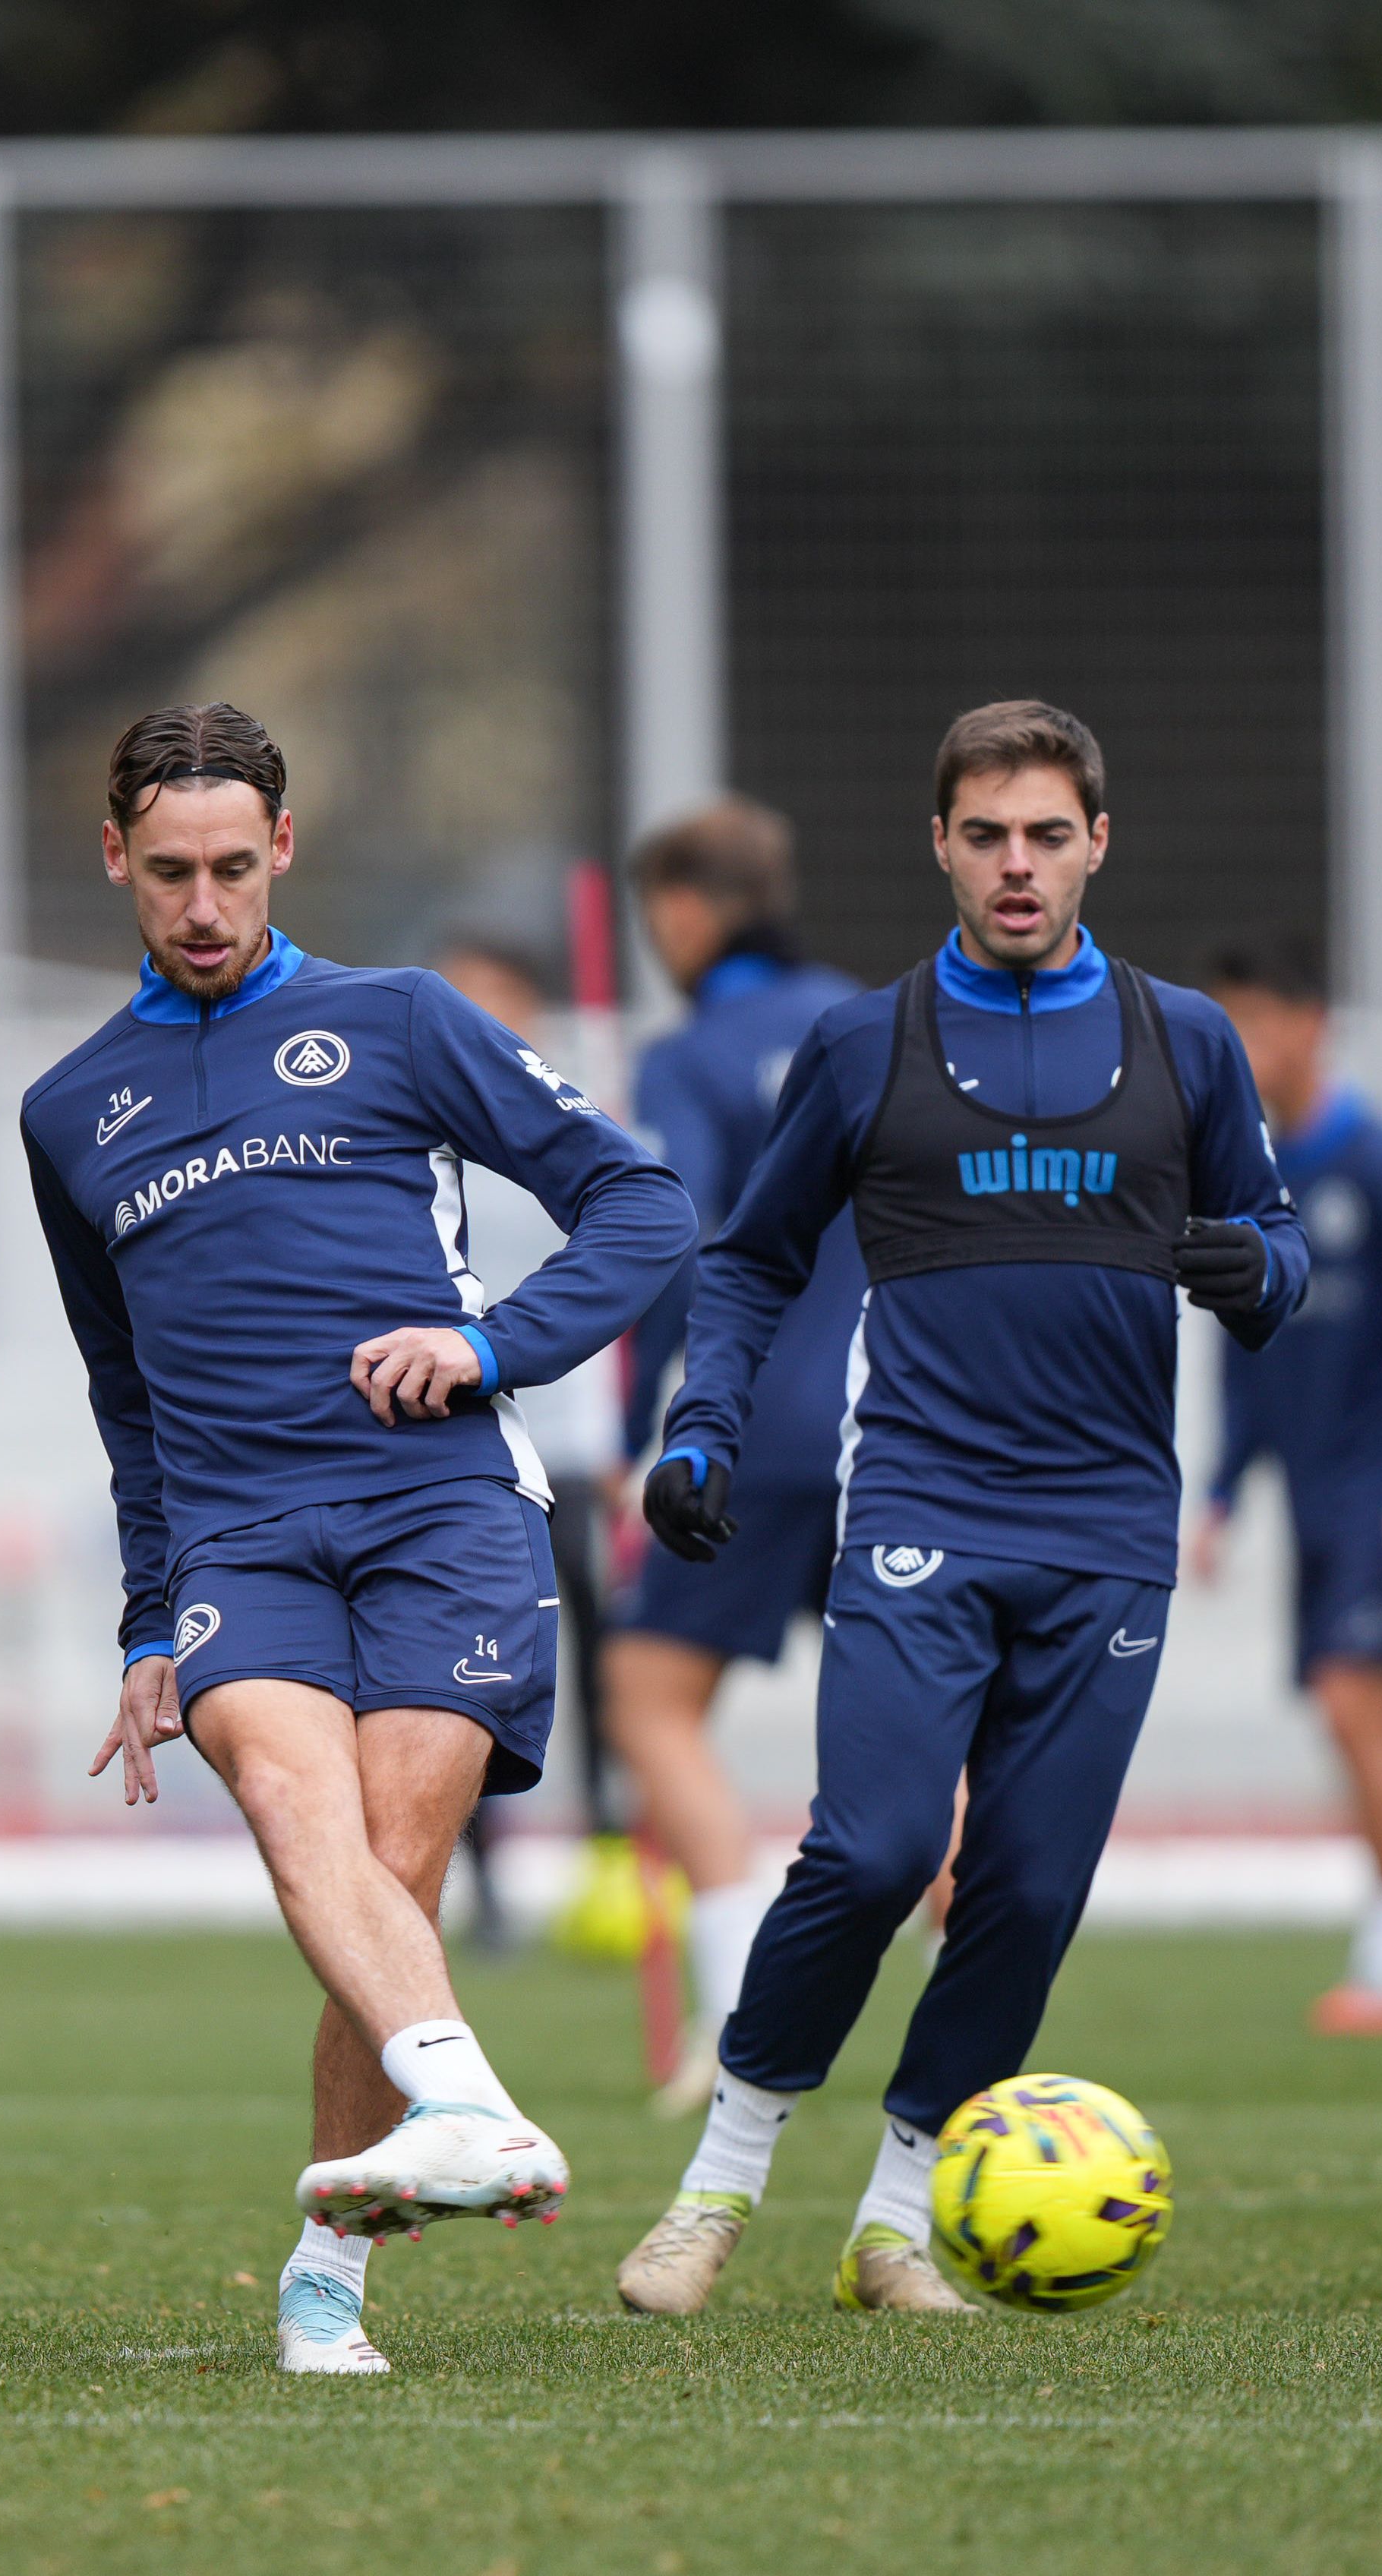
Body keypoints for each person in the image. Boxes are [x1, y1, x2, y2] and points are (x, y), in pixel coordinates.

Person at [22, 704, 695, 2376]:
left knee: (388, 1873)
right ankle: (471, 2109)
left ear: (283, 848)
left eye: (230, 867)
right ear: (112, 857)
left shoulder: (398, 1018)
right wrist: (145, 1620)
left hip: (443, 1508)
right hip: (236, 1542)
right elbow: (123, 1394)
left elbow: (644, 1204)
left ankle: (329, 2267)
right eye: (167, 871)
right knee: (295, 1813)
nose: (201, 905)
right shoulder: (67, 1108)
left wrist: (492, 1345)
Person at [614, 702, 1306, 2317]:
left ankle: (893, 2225)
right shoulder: (865, 1044)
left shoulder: (1187, 1039)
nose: (1016, 864)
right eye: (985, 834)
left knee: (1025, 1892)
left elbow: (1277, 1248)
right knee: (871, 1850)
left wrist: (1252, 1268)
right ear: (938, 843)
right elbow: (751, 1258)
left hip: (1109, 1528)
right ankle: (716, 2187)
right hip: (921, 1499)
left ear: (1097, 845)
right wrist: (703, 1424)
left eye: (1047, 834)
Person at [597, 795, 859, 2113]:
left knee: (645, 1697)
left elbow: (673, 1239)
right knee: (916, 1730)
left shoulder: (686, 1057)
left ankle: (740, 2009)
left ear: (689, 910)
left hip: (748, 1428)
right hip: (898, 1425)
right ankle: (986, 2022)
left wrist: (630, 1425)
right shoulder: (877, 1021)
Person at [1188, 941, 1382, 2033]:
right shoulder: (1253, 1183)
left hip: (1380, 1492)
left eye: (1255, 1025)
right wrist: (1221, 1490)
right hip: (1310, 1497)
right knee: (1364, 1720)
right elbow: (1244, 1347)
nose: (1240, 1051)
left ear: (1311, 1025)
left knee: (1360, 1709)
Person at [428, 928, 632, 1950]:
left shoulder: (570, 1125)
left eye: (494, 998)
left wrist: (633, 1436)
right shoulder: (414, 1131)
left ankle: (612, 1850)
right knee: (468, 1665)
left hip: (576, 1446)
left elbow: (640, 1253)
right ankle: (482, 1879)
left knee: (599, 1663)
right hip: (467, 1447)